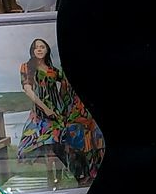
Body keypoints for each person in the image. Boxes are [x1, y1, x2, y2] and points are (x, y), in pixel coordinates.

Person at [19, 36, 104, 183]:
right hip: (41, 112)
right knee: (45, 140)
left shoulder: (53, 71)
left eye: (42, 47)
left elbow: (68, 83)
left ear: (47, 50)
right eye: (36, 47)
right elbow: (28, 90)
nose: (39, 49)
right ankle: (56, 178)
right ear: (32, 51)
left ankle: (79, 174)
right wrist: (45, 109)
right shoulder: (27, 67)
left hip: (57, 111)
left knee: (68, 141)